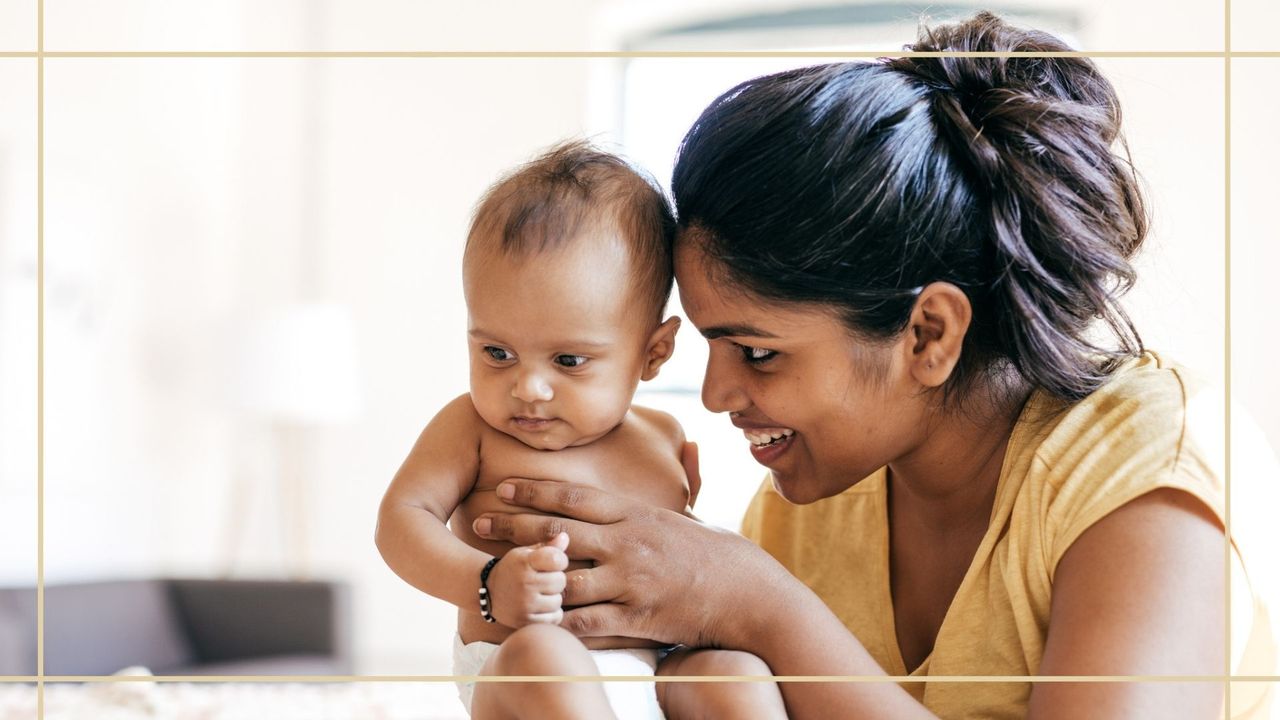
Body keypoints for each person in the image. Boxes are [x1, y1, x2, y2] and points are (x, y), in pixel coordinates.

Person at [465, 13, 1276, 720]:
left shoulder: (1139, 470)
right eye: (710, 345)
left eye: (757, 352)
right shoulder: (807, 503)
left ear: (928, 333)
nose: (716, 395)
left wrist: (765, 609)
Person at [374, 141, 787, 720]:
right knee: (548, 656)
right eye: (497, 351)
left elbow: (678, 555)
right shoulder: (470, 427)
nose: (529, 388)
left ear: (654, 352)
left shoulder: (664, 438)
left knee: (737, 676)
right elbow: (400, 522)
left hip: (656, 664)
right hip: (518, 667)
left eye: (568, 362)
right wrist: (487, 582)